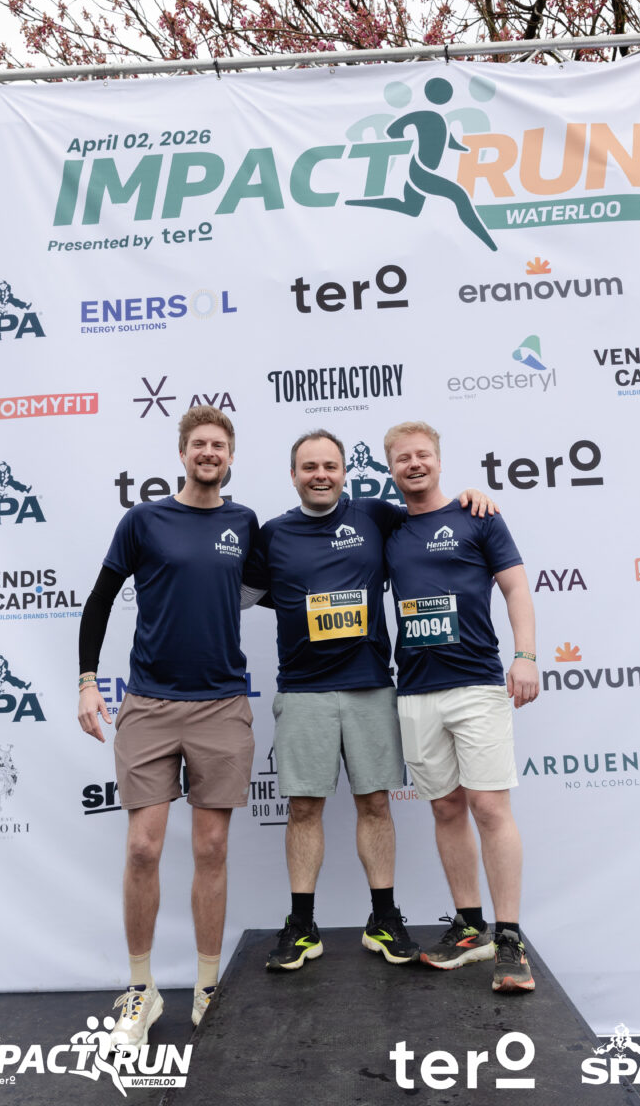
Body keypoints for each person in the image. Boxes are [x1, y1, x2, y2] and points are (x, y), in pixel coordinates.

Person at [253, 430, 495, 972]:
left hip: (370, 684)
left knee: (375, 804)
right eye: (309, 467)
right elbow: (245, 594)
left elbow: (430, 519)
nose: (320, 475)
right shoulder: (274, 533)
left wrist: (470, 499)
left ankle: (383, 919)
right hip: (303, 690)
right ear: (293, 475)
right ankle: (302, 926)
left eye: (330, 466)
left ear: (345, 473)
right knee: (303, 808)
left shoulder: (375, 516)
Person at [77, 405, 260, 1040]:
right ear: (182, 454)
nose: (209, 453)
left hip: (222, 704)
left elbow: (269, 587)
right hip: (149, 705)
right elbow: (100, 598)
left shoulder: (243, 523)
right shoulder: (144, 520)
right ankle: (141, 990)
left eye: (219, 445)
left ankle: (207, 988)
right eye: (198, 444)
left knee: (211, 848)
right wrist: (86, 680)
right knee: (142, 848)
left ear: (230, 457)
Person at [383, 421, 539, 994]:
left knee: (490, 808)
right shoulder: (387, 528)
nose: (414, 464)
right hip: (415, 690)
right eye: (403, 458)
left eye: (423, 454)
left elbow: (516, 587)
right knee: (446, 809)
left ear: (439, 461)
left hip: (475, 684)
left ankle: (510, 936)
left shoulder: (478, 515)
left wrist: (525, 655)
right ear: (390, 469)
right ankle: (471, 928)